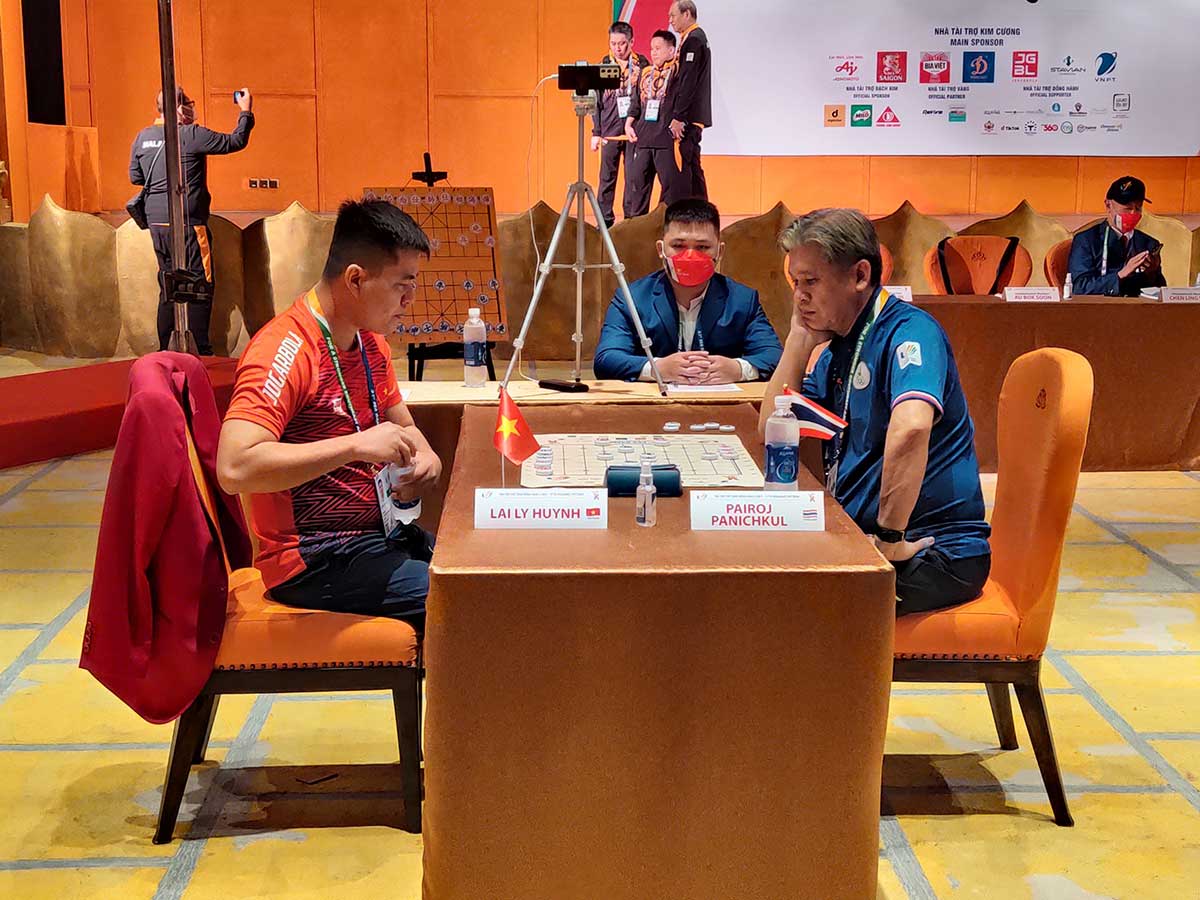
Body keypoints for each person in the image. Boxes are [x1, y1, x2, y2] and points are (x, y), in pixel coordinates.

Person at [217, 200, 441, 633]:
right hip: (315, 558)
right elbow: (234, 467)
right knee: (467, 601)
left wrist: (427, 456)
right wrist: (355, 446)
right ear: (355, 279)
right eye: (402, 286)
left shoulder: (370, 343)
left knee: (484, 577)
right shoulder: (285, 350)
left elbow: (406, 426)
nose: (410, 301)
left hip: (378, 538)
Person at [760, 208, 991, 615]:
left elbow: (912, 427)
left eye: (811, 281)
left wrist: (888, 538)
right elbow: (772, 427)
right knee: (756, 568)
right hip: (861, 539)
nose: (799, 296)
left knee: (786, 605)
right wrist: (798, 339)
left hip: (932, 552)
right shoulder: (838, 351)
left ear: (860, 275)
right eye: (795, 283)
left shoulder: (911, 332)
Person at [594, 198, 782, 383]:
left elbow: (774, 355)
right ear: (661, 249)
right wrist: (657, 369)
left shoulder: (743, 300)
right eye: (678, 246)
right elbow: (607, 359)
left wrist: (738, 369)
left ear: (720, 252)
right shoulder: (631, 298)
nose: (690, 256)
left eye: (702, 247)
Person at [129, 86, 255, 355]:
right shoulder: (191, 134)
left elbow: (136, 177)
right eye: (187, 103)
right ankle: (202, 352)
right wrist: (245, 111)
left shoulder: (142, 137)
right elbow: (235, 141)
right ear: (178, 108)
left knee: (168, 285)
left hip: (156, 223)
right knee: (200, 285)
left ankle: (165, 352)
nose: (190, 107)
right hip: (188, 223)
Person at [1067, 176, 1166, 297]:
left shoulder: (1149, 243)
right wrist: (1120, 275)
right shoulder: (1086, 240)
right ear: (1108, 205)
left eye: (1138, 207)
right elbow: (1079, 287)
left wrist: (1152, 272)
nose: (1133, 213)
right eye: (1127, 208)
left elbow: (1160, 291)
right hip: (1101, 306)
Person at [592, 21, 649, 228]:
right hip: (610, 131)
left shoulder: (642, 65)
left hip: (634, 132)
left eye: (622, 43)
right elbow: (596, 101)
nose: (618, 48)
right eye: (613, 43)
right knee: (606, 178)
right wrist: (596, 132)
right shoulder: (604, 65)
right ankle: (604, 222)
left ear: (631, 42)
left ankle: (630, 223)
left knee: (633, 179)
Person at [623, 30, 685, 217]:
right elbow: (635, 103)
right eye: (652, 49)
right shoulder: (645, 72)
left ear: (671, 50)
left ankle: (666, 225)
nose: (654, 52)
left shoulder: (678, 72)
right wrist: (628, 124)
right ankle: (637, 224)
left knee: (670, 188)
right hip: (643, 138)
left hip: (666, 139)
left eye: (658, 48)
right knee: (638, 185)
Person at [667, 0, 712, 200]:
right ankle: (700, 209)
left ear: (687, 14)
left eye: (673, 15)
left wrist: (679, 116)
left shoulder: (694, 40)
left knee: (688, 164)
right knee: (692, 162)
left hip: (689, 116)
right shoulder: (692, 38)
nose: (671, 21)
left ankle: (696, 208)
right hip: (691, 115)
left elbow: (688, 80)